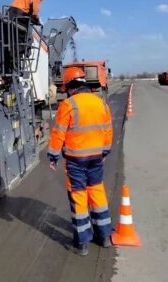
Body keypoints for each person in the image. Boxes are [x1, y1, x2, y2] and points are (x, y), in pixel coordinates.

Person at [48, 67, 114, 256]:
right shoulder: (101, 102)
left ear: (70, 86)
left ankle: (83, 242)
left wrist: (53, 156)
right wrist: (105, 151)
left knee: (79, 198)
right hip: (96, 158)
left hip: (76, 161)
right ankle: (104, 237)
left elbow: (58, 132)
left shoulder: (68, 104)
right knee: (97, 193)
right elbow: (108, 130)